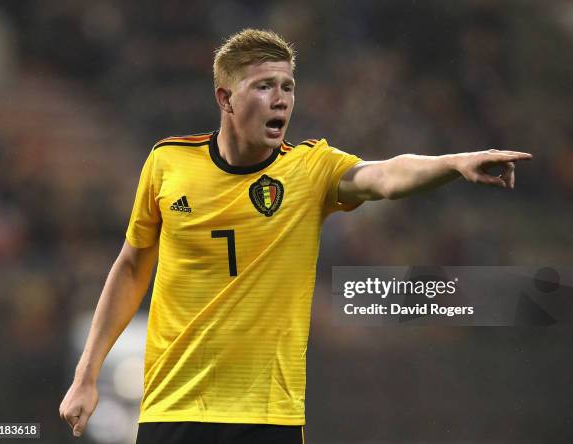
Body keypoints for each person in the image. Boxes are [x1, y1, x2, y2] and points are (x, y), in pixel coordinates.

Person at [59, 29, 532, 444]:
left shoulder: (310, 170)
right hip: (173, 409)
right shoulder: (167, 163)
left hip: (268, 417)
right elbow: (131, 265)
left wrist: (455, 163)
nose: (281, 98)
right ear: (225, 98)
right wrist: (86, 375)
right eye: (264, 86)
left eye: (288, 86)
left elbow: (385, 176)